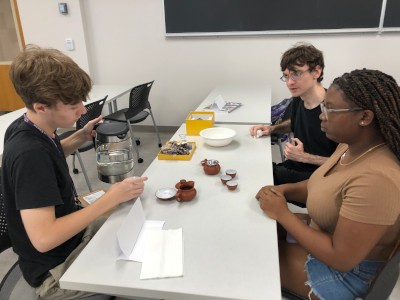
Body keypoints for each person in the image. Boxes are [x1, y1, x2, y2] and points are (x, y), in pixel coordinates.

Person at [1, 45, 148, 299]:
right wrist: (109, 199)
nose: (82, 110)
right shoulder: (29, 155)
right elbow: (44, 239)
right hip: (55, 272)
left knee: (136, 219)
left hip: (72, 241)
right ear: (42, 106)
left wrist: (79, 136)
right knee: (141, 268)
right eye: (72, 105)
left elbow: (50, 155)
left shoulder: (28, 125)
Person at [256, 69, 400, 300]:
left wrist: (283, 214)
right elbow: (321, 186)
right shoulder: (350, 146)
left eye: (330, 109)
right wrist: (286, 190)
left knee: (253, 256)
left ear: (365, 117)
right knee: (254, 229)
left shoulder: (378, 179)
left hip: (345, 273)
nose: (321, 115)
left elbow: (341, 258)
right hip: (323, 234)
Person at [250, 43, 337, 185]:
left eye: (296, 73)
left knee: (258, 176)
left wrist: (304, 157)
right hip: (295, 166)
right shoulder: (298, 99)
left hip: (319, 178)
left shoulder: (336, 111)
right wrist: (272, 129)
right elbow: (294, 122)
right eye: (286, 76)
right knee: (257, 167)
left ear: (316, 71)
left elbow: (348, 165)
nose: (290, 82)